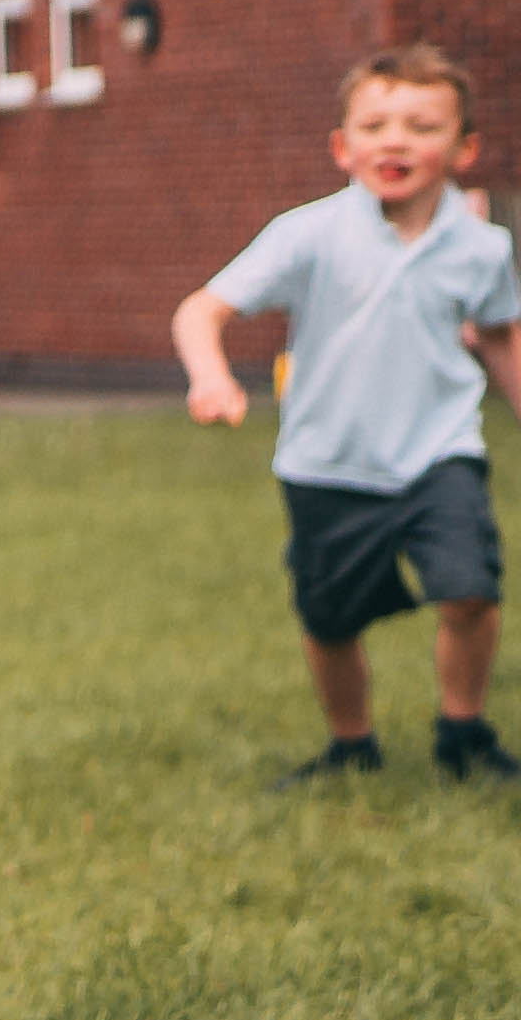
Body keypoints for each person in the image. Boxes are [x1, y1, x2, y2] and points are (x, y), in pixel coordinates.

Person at [175, 45, 521, 786]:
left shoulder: (484, 248)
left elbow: (497, 337)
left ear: (463, 150)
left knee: (471, 589)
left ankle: (463, 732)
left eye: (422, 126)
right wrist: (211, 377)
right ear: (342, 147)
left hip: (439, 452)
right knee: (331, 619)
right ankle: (350, 745)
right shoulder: (308, 234)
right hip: (325, 460)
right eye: (375, 125)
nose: (395, 140)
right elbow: (201, 310)